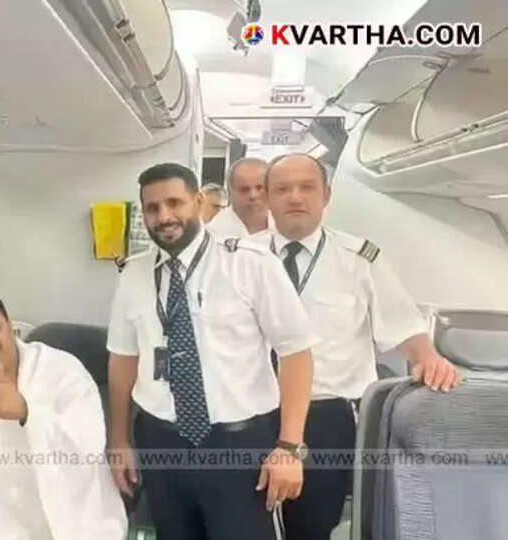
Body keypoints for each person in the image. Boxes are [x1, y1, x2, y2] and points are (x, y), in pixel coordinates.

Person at [107, 162, 317, 540]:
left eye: (175, 203)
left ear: (199, 202)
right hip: (160, 440)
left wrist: (289, 446)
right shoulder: (134, 274)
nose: (164, 216)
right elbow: (123, 358)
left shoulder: (251, 264)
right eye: (152, 208)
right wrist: (119, 440)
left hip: (238, 445)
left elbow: (296, 352)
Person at [257, 153, 462, 540]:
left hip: (326, 418)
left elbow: (403, 325)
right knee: (246, 524)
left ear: (326, 195)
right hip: (250, 412)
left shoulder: (359, 258)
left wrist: (428, 356)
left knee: (313, 527)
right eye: (282, 189)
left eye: (306, 187)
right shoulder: (240, 257)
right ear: (267, 198)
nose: (295, 197)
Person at [0, 290, 127, 540]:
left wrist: (28, 412)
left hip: (69, 514)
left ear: (11, 329)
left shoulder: (62, 370)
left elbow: (88, 444)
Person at [206, 157, 273, 237]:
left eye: (259, 188)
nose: (253, 195)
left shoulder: (285, 228)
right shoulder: (212, 234)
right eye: (244, 189)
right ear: (230, 193)